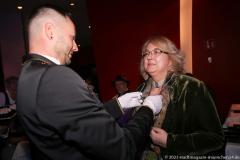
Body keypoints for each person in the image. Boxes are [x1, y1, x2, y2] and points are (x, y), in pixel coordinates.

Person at [16, 4, 163, 160]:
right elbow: (122, 148)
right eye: (72, 38)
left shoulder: (28, 75)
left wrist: (117, 105)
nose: (75, 47)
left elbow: (74, 120)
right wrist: (148, 108)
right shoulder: (56, 77)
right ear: (50, 31)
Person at [137, 35, 225, 159]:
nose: (149, 56)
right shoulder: (140, 91)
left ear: (171, 60)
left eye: (157, 51)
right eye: (146, 53)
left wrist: (170, 141)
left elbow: (215, 138)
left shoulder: (192, 87)